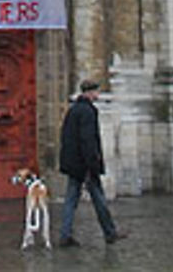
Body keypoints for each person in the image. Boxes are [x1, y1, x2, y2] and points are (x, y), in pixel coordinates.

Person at [58, 79, 127, 246]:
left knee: (71, 200)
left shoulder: (73, 110)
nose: (98, 95)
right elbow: (88, 140)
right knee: (98, 198)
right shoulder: (88, 111)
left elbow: (65, 136)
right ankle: (110, 232)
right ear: (89, 92)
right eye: (96, 91)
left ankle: (65, 234)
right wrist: (92, 164)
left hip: (74, 163)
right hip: (85, 165)